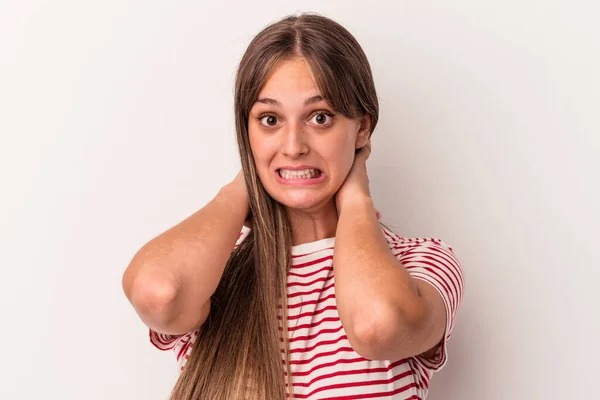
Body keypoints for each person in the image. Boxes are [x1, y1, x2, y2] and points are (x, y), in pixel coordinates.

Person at [122, 12, 464, 400]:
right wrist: (243, 186)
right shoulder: (215, 273)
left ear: (362, 128)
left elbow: (377, 325)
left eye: (320, 118)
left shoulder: (420, 263)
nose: (293, 146)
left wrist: (355, 197)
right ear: (246, 132)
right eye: (269, 120)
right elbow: (159, 293)